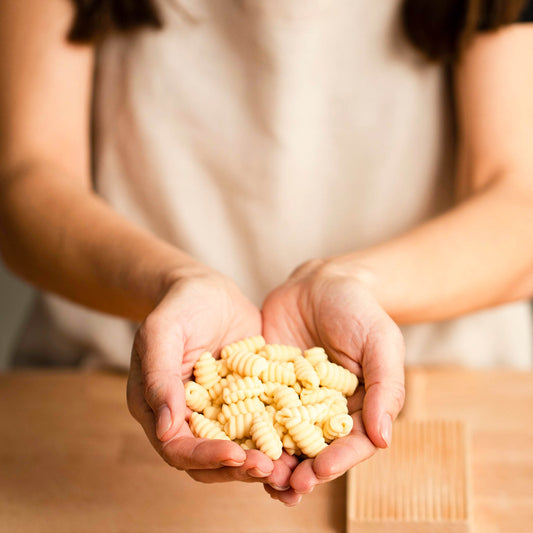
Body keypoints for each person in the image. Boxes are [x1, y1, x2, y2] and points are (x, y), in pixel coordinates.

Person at [0, 0, 532, 506]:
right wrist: (172, 280)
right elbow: (24, 179)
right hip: (98, 387)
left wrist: (359, 284)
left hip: (459, 386)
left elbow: (518, 201)